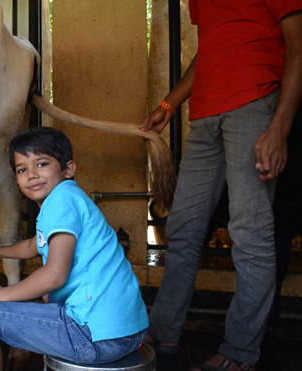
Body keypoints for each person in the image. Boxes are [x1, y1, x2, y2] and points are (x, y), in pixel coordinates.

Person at [140, 1, 302, 370]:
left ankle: (240, 353)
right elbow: (211, 47)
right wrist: (169, 103)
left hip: (255, 104)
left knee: (249, 232)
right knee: (182, 229)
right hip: (205, 113)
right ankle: (163, 331)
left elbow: (298, 47)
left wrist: (279, 127)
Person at [0, 127, 148, 370]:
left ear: (68, 169)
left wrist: (1, 294)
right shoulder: (69, 199)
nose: (31, 174)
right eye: (22, 169)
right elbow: (34, 245)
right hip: (129, 331)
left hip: (94, 337)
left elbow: (54, 274)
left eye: (41, 164)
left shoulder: (61, 201)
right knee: (47, 295)